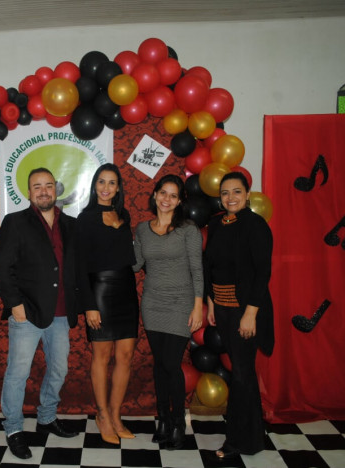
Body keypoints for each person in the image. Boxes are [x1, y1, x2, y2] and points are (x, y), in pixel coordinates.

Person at [0, 167, 79, 460]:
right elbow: (2, 266)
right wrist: (14, 305)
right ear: (29, 192)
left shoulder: (70, 224)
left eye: (48, 185)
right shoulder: (15, 222)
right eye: (37, 186)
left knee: (59, 369)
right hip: (26, 313)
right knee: (18, 373)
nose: (44, 191)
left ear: (56, 189)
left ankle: (47, 417)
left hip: (61, 313)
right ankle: (14, 429)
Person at [203, 171, 274, 459]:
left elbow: (262, 273)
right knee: (242, 373)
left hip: (245, 310)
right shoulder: (216, 224)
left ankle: (236, 441)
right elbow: (211, 267)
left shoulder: (256, 225)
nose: (230, 197)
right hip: (222, 309)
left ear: (247, 195)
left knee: (242, 374)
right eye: (225, 192)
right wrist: (211, 303)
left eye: (236, 191)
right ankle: (254, 437)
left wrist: (250, 314)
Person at [133, 173, 204, 450]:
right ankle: (162, 420)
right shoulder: (142, 229)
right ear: (155, 194)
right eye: (163, 193)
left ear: (179, 201)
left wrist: (197, 306)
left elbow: (197, 269)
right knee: (160, 365)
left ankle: (177, 423)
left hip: (181, 304)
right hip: (152, 303)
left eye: (173, 195)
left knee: (172, 365)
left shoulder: (188, 229)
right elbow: (135, 264)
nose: (167, 199)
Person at [75, 163, 140, 445]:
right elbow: (80, 266)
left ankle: (115, 415)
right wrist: (89, 305)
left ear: (118, 188)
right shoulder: (85, 218)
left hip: (126, 289)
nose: (106, 187)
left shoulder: (125, 215)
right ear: (94, 186)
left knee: (125, 356)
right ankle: (101, 415)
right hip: (99, 291)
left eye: (112, 183)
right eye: (101, 181)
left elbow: (128, 258)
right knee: (101, 356)